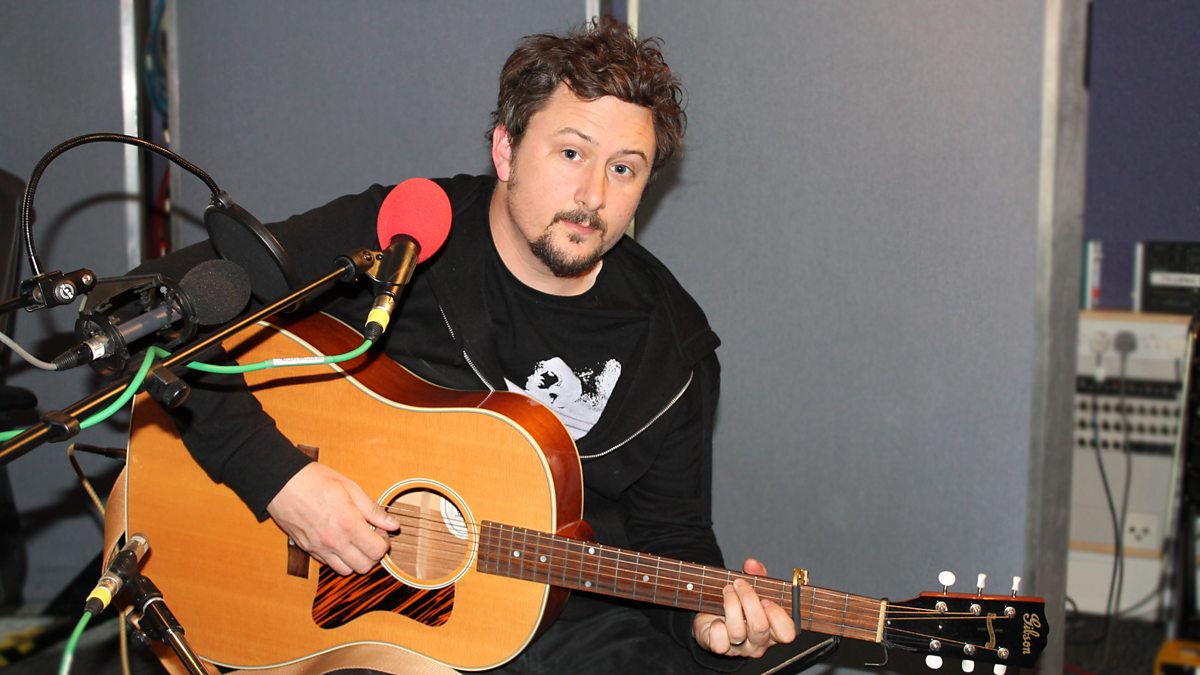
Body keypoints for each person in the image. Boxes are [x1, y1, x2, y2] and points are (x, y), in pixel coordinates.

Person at [164, 16, 795, 673]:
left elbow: (673, 534)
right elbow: (162, 304)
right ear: (506, 151)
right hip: (364, 624)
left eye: (623, 168)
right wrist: (280, 479)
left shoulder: (671, 345)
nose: (593, 195)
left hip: (561, 629)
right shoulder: (405, 237)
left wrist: (706, 621)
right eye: (571, 153)